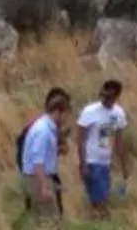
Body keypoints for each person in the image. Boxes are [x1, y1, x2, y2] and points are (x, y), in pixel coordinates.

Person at [75, 80, 127, 217]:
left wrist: (123, 164)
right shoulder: (90, 111)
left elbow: (119, 140)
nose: (105, 99)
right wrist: (83, 163)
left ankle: (92, 226)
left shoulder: (119, 113)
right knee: (100, 201)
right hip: (92, 161)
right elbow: (80, 138)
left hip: (106, 162)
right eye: (103, 96)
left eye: (109, 97)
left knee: (100, 199)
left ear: (116, 96)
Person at [20, 87, 68, 220]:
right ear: (58, 112)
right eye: (65, 114)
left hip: (40, 177)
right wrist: (44, 187)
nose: (66, 119)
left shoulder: (47, 128)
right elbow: (38, 161)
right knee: (51, 221)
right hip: (37, 179)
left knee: (41, 220)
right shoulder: (43, 131)